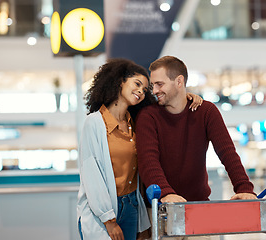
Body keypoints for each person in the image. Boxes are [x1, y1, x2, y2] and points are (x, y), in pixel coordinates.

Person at [76, 58, 203, 240]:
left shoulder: (135, 123)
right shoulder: (94, 123)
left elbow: (167, 106)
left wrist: (188, 96)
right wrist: (109, 220)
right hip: (103, 213)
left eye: (145, 90)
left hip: (132, 207)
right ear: (120, 80)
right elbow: (91, 175)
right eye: (137, 83)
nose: (141, 92)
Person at [136, 56, 256, 206]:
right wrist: (166, 193)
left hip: (198, 205)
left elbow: (227, 152)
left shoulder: (206, 111)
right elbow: (148, 160)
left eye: (159, 84)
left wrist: (244, 187)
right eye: (153, 85)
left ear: (179, 82)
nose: (154, 91)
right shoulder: (148, 116)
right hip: (160, 206)